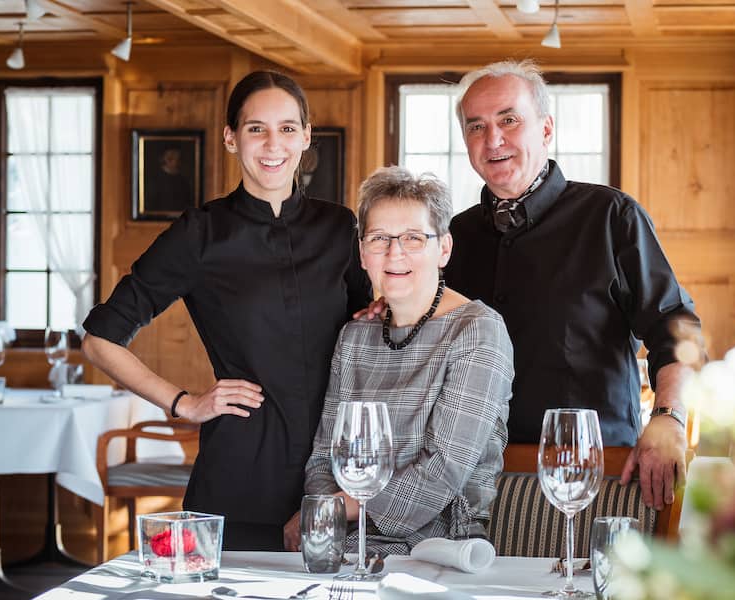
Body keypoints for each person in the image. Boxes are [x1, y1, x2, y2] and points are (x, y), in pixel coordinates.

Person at [81, 70, 371, 550]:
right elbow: (99, 340)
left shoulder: (340, 227)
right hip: (241, 472)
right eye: (256, 128)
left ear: (305, 136)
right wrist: (184, 403)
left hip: (336, 471)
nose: (272, 143)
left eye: (287, 128)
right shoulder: (201, 234)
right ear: (231, 138)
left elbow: (372, 329)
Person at [446, 60, 702, 510]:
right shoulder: (455, 236)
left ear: (545, 129)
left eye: (509, 119)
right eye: (476, 126)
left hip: (596, 475)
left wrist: (668, 417)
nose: (494, 140)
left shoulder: (611, 216)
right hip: (474, 480)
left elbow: (677, 327)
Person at [283, 166, 514, 555]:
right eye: (379, 238)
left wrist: (332, 510)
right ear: (362, 253)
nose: (395, 253)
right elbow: (324, 457)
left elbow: (442, 472)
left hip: (437, 551)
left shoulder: (478, 330)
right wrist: (326, 523)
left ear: (443, 249)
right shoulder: (355, 337)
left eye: (413, 237)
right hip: (343, 545)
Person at [146, 146, 193, 212]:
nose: (174, 161)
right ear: (163, 159)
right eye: (170, 158)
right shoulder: (155, 180)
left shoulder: (183, 181)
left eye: (176, 158)